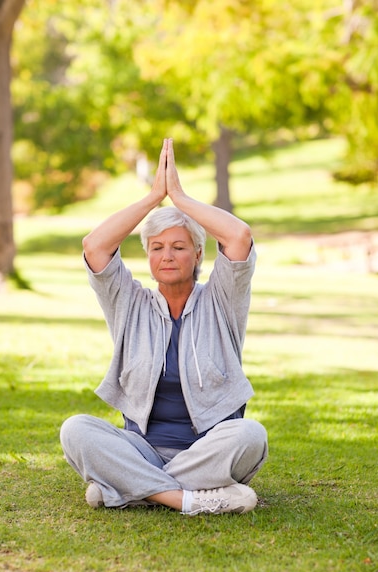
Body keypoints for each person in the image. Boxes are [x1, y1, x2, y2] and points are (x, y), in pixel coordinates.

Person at [60, 138, 268, 516]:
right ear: (148, 257)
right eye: (157, 247)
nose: (167, 255)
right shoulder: (129, 302)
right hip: (141, 448)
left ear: (198, 254)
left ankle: (126, 487)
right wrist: (154, 197)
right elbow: (95, 246)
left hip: (208, 447)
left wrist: (180, 199)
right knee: (75, 429)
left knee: (251, 435)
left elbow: (239, 236)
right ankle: (186, 499)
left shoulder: (222, 299)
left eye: (179, 246)